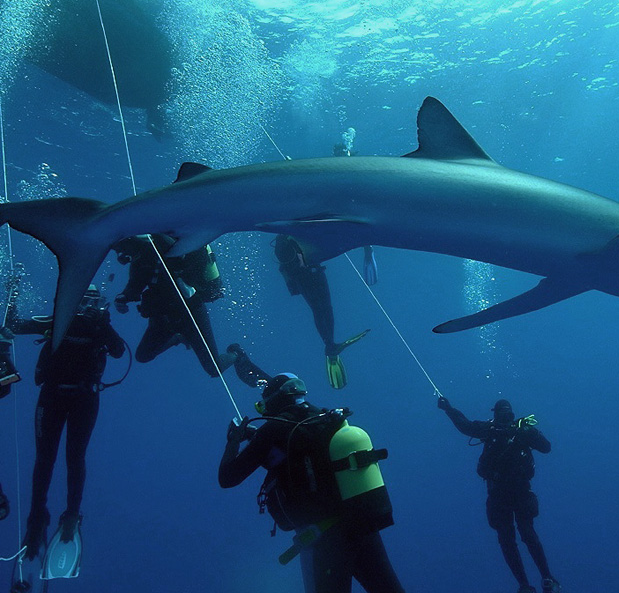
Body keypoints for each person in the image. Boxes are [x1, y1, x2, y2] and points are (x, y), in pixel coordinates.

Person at [219, 372, 404, 593]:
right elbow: (296, 449)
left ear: (274, 399)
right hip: (361, 525)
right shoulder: (328, 418)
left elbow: (228, 478)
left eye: (263, 406)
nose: (265, 411)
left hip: (324, 539)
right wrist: (256, 437)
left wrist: (234, 440)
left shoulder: (273, 431)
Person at [11, 284, 126, 573]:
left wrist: (104, 324)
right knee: (46, 459)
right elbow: (14, 325)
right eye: (81, 301)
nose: (85, 307)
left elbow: (118, 350)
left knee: (73, 458)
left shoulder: (97, 324)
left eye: (91, 302)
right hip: (54, 397)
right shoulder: (57, 320)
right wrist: (12, 297)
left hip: (83, 398)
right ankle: (38, 516)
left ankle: (71, 514)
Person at [438, 395, 561, 593]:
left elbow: (546, 447)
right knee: (512, 538)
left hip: (514, 492)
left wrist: (530, 432)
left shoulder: (517, 430)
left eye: (508, 414)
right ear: (496, 416)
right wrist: (449, 409)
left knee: (520, 536)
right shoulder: (491, 429)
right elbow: (465, 426)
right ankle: (532, 582)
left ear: (511, 415)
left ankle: (542, 578)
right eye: (502, 414)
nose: (505, 418)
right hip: (503, 494)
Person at [112, 234, 229, 377]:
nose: (122, 257)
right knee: (143, 355)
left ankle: (236, 353)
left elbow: (194, 276)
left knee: (214, 369)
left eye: (122, 250)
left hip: (191, 314)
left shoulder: (166, 246)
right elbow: (135, 284)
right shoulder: (141, 257)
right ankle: (178, 337)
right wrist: (123, 297)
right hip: (163, 316)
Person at [272, 235, 369, 390]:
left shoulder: (281, 247)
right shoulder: (290, 241)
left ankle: (329, 344)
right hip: (312, 274)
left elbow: (287, 268)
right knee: (324, 308)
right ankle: (330, 344)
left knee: (318, 309)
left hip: (303, 279)